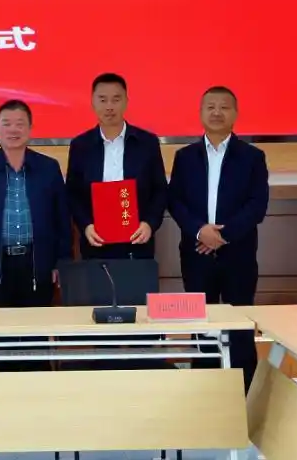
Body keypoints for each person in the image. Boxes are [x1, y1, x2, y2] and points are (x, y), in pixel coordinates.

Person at [167, 86, 269, 391]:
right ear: (200, 113)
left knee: (240, 324)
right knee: (201, 324)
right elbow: (175, 201)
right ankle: (205, 389)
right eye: (210, 106)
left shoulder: (252, 157)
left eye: (224, 107)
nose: (216, 112)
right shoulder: (184, 157)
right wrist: (200, 231)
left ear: (235, 114)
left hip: (239, 253)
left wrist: (221, 236)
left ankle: (245, 392)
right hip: (196, 254)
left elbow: (257, 205)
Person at [0, 99, 71, 371]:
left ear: (30, 129)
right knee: (3, 340)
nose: (13, 129)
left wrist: (61, 262)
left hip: (37, 263)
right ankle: (7, 390)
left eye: (20, 124)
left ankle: (37, 393)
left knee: (36, 339)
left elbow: (62, 219)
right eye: (6, 124)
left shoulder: (48, 167)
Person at [65, 73, 168, 260]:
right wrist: (86, 225)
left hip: (137, 243)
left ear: (126, 102)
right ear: (93, 102)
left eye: (116, 99)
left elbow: (160, 190)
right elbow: (73, 193)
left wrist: (149, 224)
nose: (109, 106)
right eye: (103, 100)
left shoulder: (147, 143)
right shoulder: (80, 145)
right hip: (95, 244)